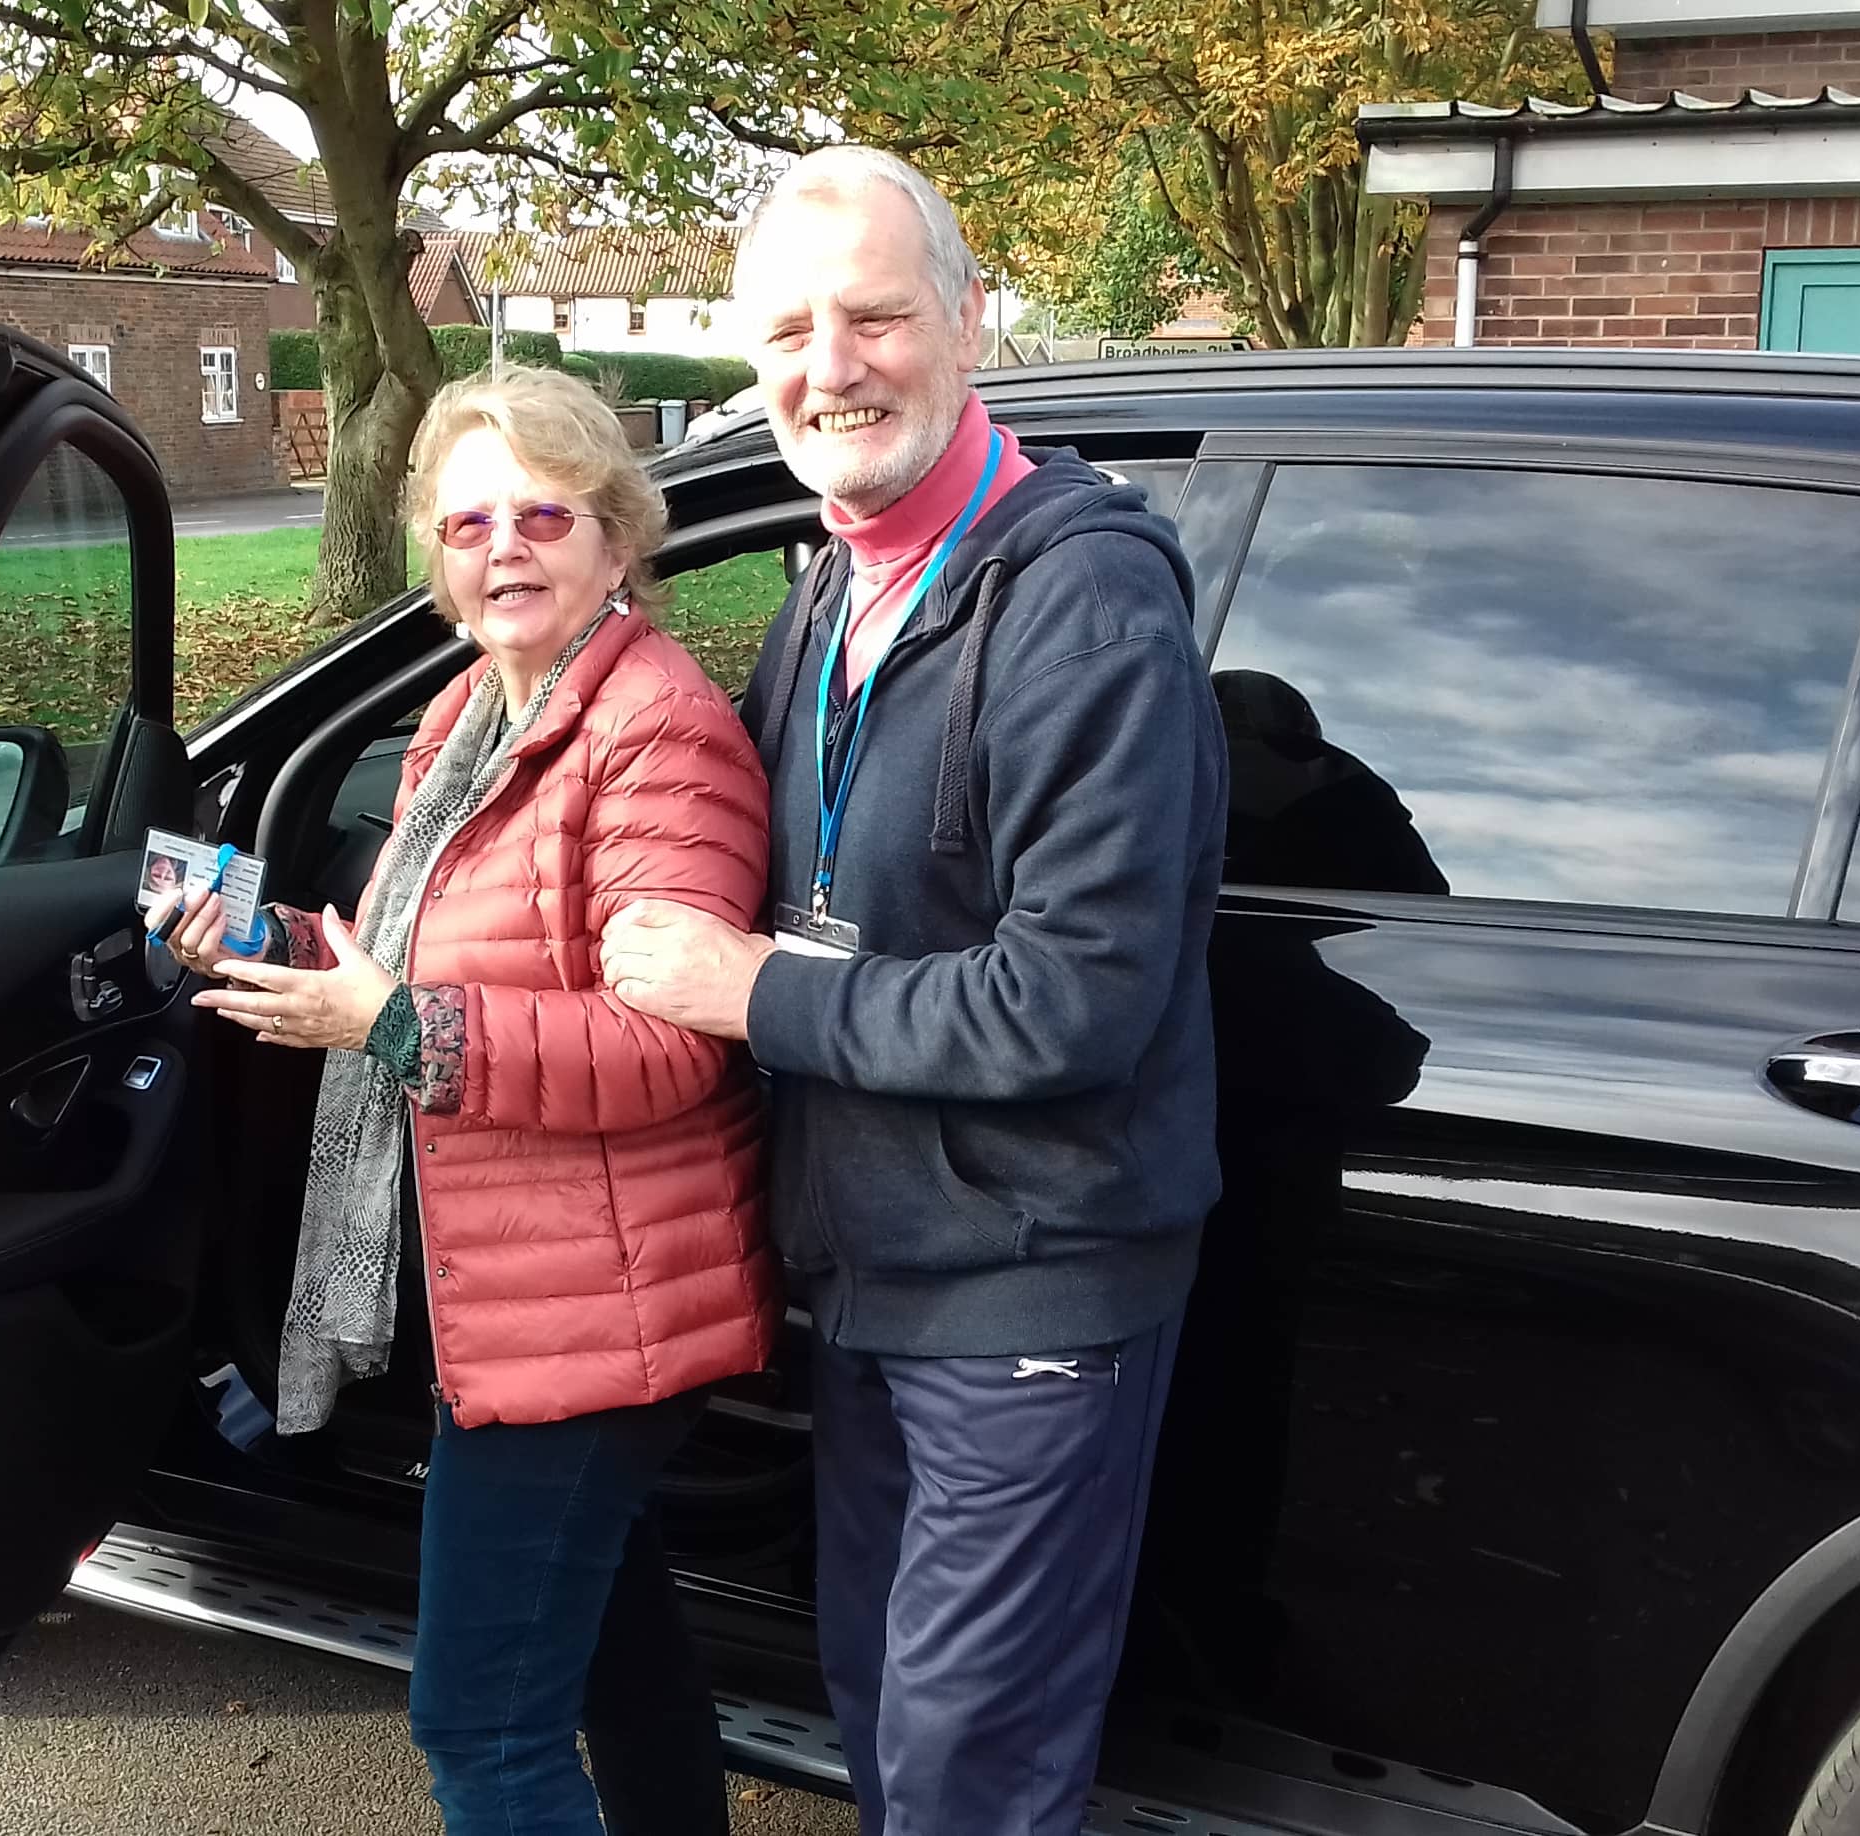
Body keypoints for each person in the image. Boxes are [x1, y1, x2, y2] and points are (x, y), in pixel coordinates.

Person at [599, 145, 1229, 1836]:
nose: (829, 365)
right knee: (887, 1722)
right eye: (790, 330)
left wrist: (750, 995)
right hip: (872, 1269)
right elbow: (787, 860)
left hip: (1025, 1284)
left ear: (966, 321)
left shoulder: (1081, 605)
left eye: (873, 315)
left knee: (969, 1776)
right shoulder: (837, 581)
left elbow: (1070, 998)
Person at [152, 364, 778, 1836]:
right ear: (434, 557)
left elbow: (669, 1042)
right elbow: (413, 963)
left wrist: (388, 1027)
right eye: (467, 521)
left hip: (595, 1313)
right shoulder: (472, 716)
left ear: (618, 537)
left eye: (544, 513)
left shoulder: (656, 732)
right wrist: (273, 944)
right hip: (528, 1295)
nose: (505, 546)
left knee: (480, 1725)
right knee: (619, 1663)